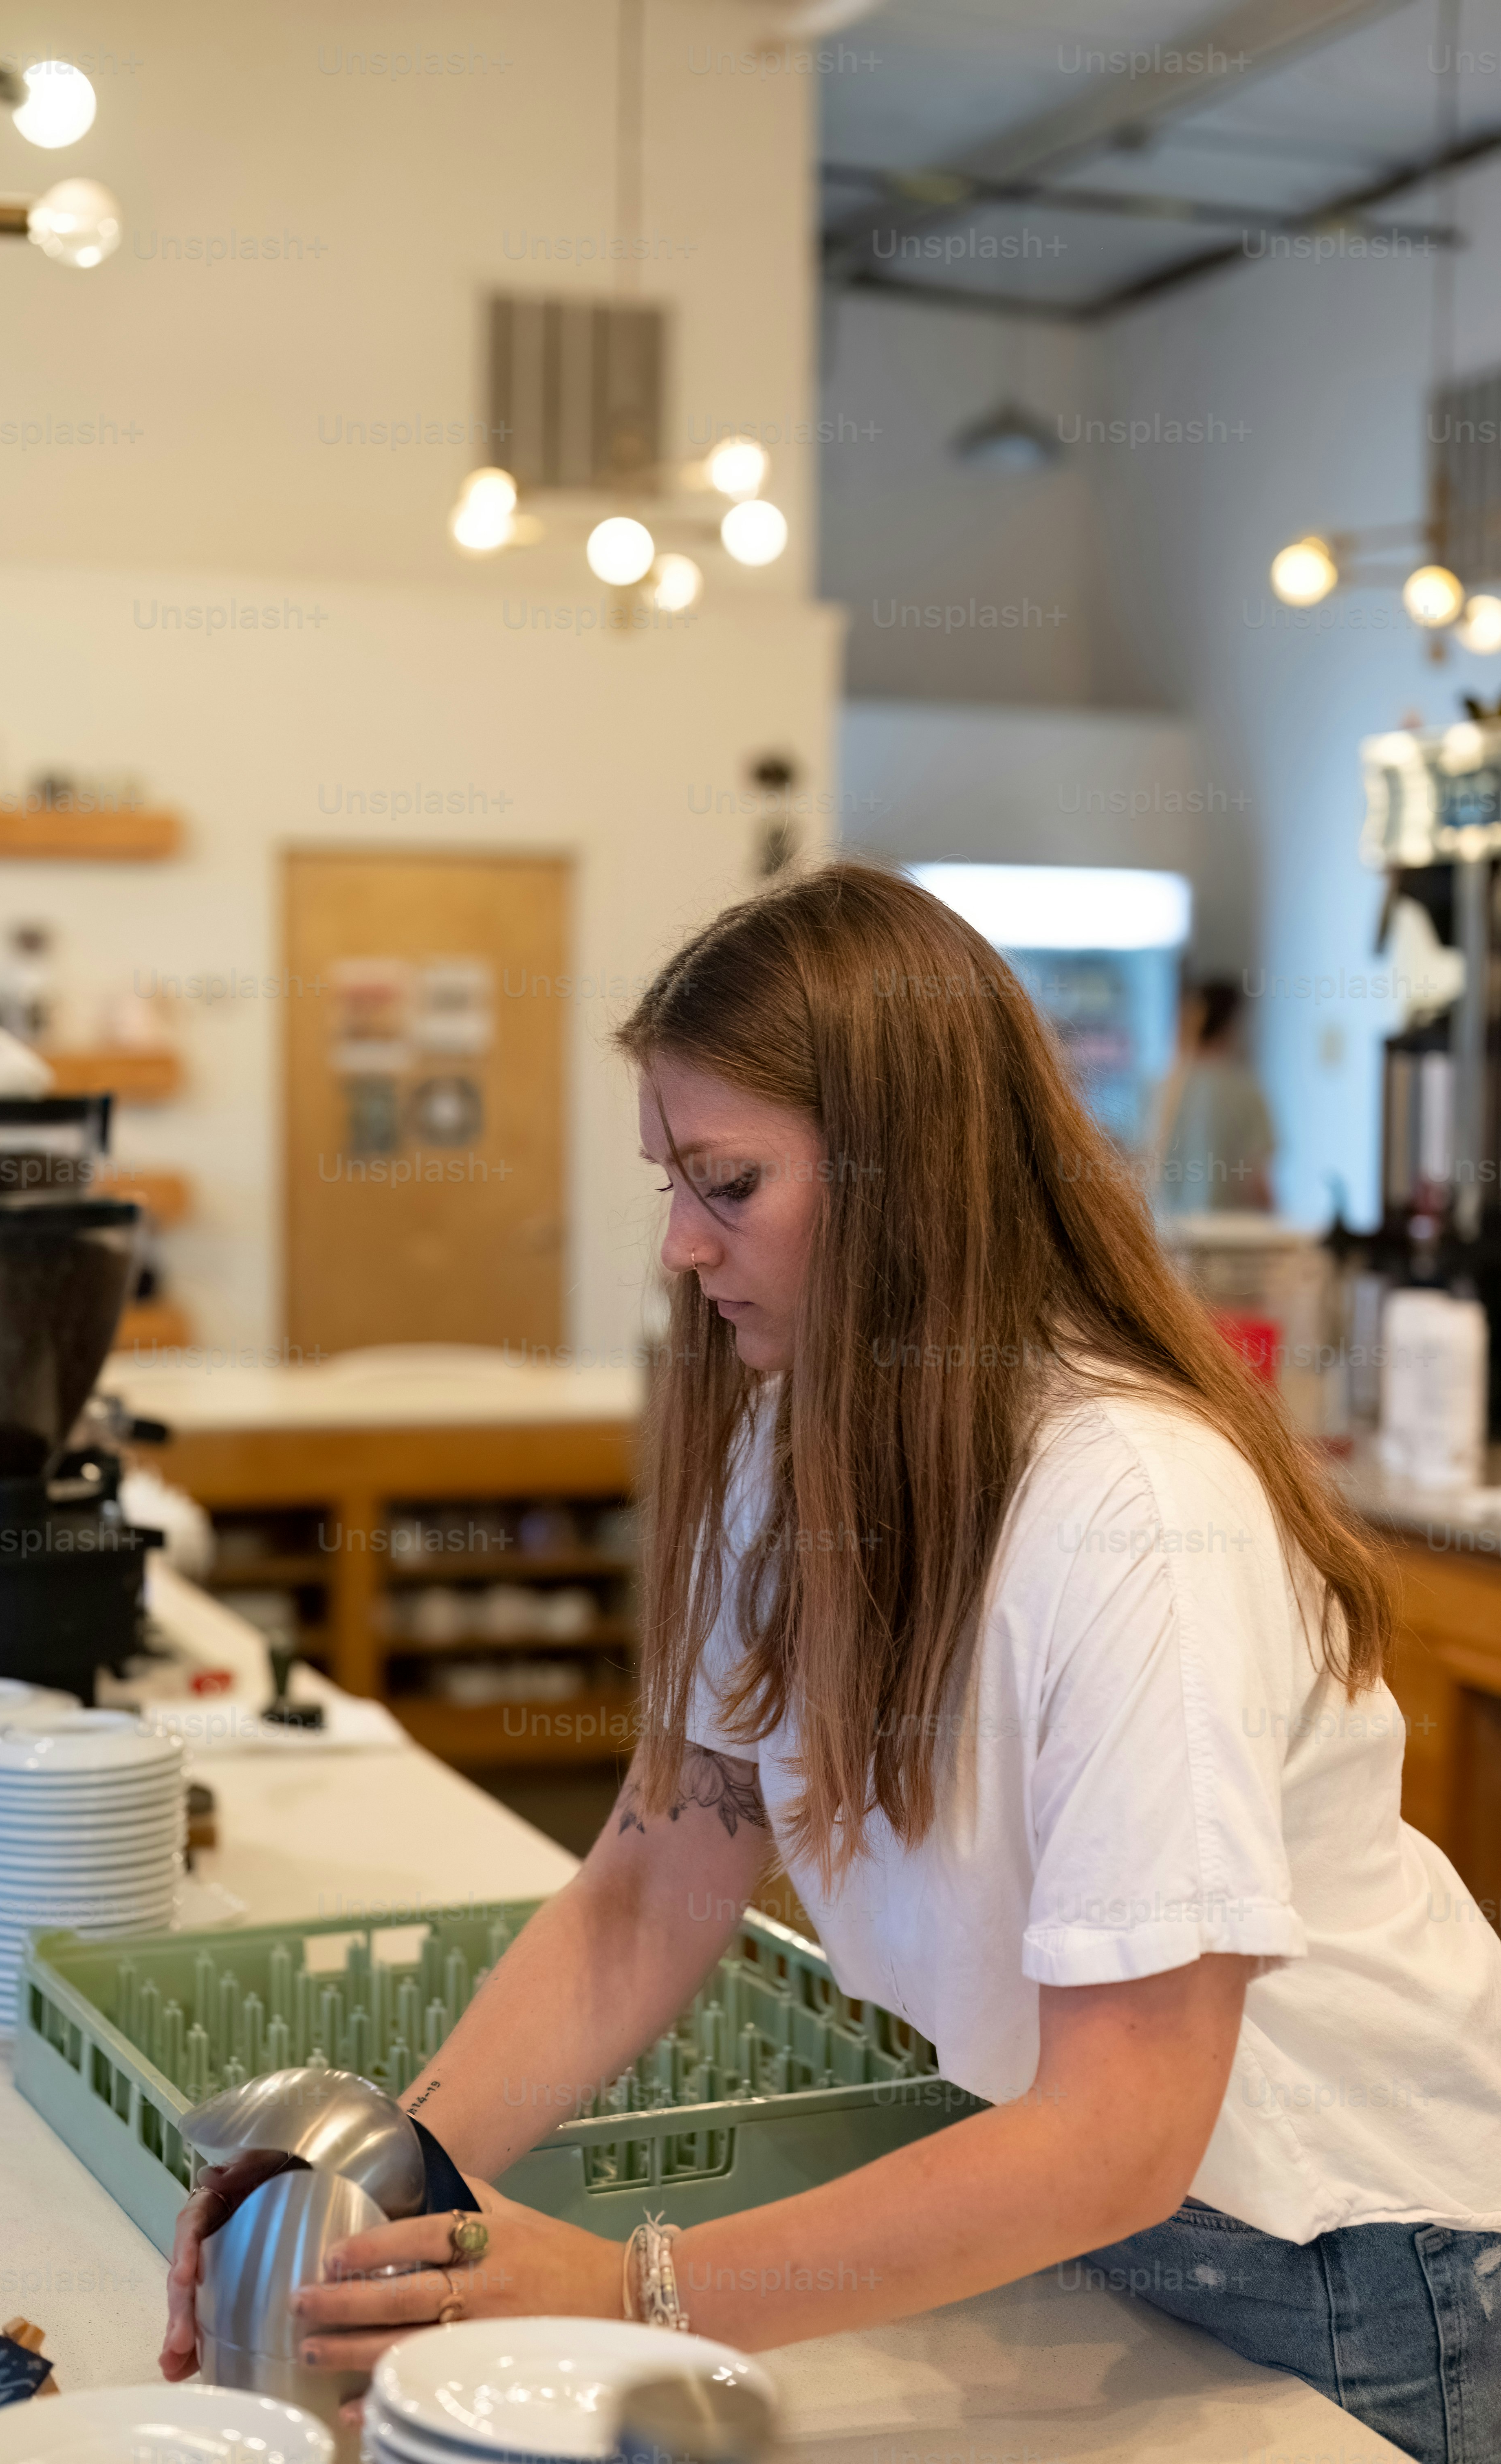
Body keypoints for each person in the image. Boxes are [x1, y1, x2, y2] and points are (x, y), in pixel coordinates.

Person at [162, 864, 1501, 2464]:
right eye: (669, 1181)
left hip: (1359, 2257)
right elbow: (651, 1886)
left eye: (725, 1183)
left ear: (908, 1181)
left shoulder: (1135, 1514)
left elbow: (1126, 2123)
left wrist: (634, 2287)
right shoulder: (798, 1448)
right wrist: (387, 2173)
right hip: (1095, 2205)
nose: (677, 1246)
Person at [1152, 977, 1277, 1212]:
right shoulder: (1245, 1092)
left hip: (1165, 1234)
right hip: (1228, 1238)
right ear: (1230, 1026)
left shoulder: (1160, 1090)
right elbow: (1257, 1183)